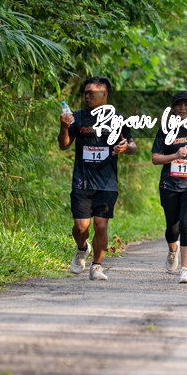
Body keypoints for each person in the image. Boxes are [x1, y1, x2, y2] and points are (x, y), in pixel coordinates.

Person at [58, 75, 137, 280]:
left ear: (105, 94)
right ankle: (82, 248)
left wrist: (126, 147)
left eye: (92, 93)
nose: (87, 96)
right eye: (85, 93)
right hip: (82, 180)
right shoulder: (77, 117)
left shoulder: (118, 119)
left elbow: (132, 145)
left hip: (107, 182)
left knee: (101, 225)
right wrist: (64, 126)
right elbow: (63, 145)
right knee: (80, 227)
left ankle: (97, 266)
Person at [151, 91, 187, 284]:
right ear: (172, 108)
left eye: (186, 105)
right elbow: (155, 158)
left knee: (186, 223)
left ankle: (185, 270)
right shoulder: (165, 129)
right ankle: (172, 250)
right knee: (172, 228)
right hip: (170, 184)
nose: (182, 108)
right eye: (178, 104)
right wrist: (175, 156)